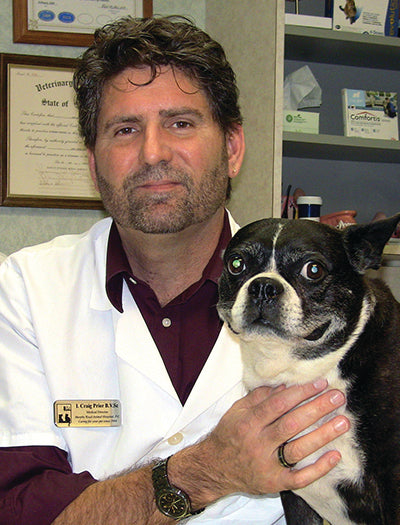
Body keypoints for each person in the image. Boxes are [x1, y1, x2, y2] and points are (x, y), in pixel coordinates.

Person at [0, 16, 349, 525]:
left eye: (180, 123)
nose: (152, 153)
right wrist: (205, 471)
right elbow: (19, 510)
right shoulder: (27, 290)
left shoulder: (332, 298)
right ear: (94, 166)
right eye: (125, 130)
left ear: (232, 149)